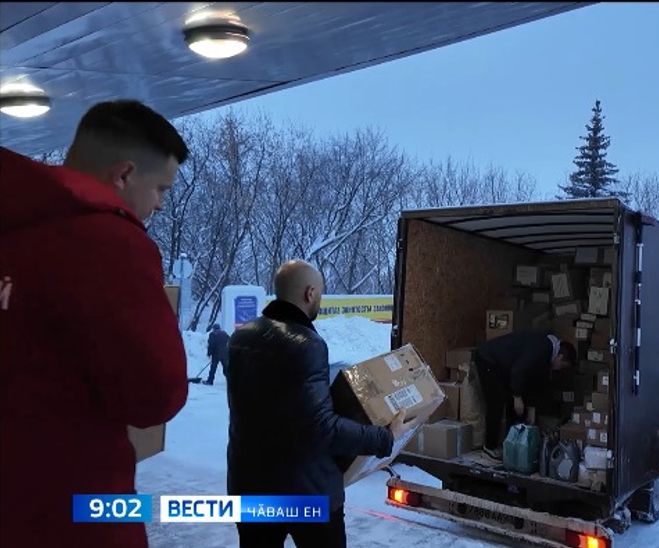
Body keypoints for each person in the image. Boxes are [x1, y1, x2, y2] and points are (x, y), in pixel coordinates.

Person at [0, 100, 191, 548]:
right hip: (63, 508)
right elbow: (156, 394)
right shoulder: (109, 243)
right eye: (161, 189)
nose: (159, 206)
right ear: (124, 175)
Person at [227, 260, 414, 548]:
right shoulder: (306, 344)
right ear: (310, 293)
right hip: (305, 490)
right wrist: (385, 436)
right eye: (321, 293)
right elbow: (321, 429)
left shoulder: (242, 336)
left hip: (249, 485)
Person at [473, 330, 576, 459]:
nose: (560, 369)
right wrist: (517, 397)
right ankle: (490, 447)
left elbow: (530, 380)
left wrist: (530, 408)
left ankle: (511, 444)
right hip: (488, 359)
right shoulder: (543, 349)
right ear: (560, 357)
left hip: (504, 365)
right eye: (563, 366)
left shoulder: (547, 349)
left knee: (513, 404)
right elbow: (518, 371)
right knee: (496, 401)